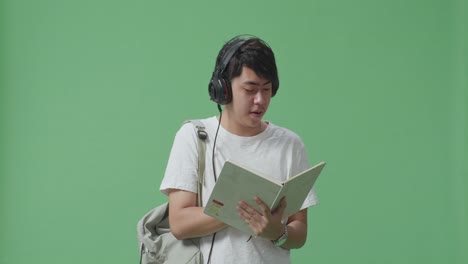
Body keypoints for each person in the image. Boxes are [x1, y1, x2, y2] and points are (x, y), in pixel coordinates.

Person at [160, 35, 318, 264]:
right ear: (223, 88)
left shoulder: (289, 144)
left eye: (266, 89)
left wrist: (277, 232)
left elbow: (299, 231)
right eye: (250, 89)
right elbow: (180, 223)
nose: (260, 100)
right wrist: (241, 210)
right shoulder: (194, 137)